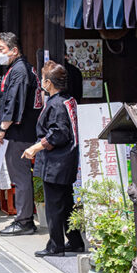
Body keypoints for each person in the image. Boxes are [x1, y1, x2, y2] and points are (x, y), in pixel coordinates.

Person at [23, 62, 85, 257]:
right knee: (66, 203)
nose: (41, 82)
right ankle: (74, 241)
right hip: (65, 160)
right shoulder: (68, 100)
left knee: (55, 206)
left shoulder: (56, 104)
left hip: (57, 162)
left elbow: (58, 134)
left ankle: (55, 244)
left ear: (48, 83)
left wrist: (35, 147)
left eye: (43, 79)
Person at [0, 31, 40, 236]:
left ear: (14, 50)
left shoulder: (20, 71)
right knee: (19, 176)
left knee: (19, 177)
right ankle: (23, 218)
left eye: (1, 49)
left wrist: (2, 128)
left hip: (19, 132)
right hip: (21, 131)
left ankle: (24, 220)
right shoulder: (18, 68)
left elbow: (13, 102)